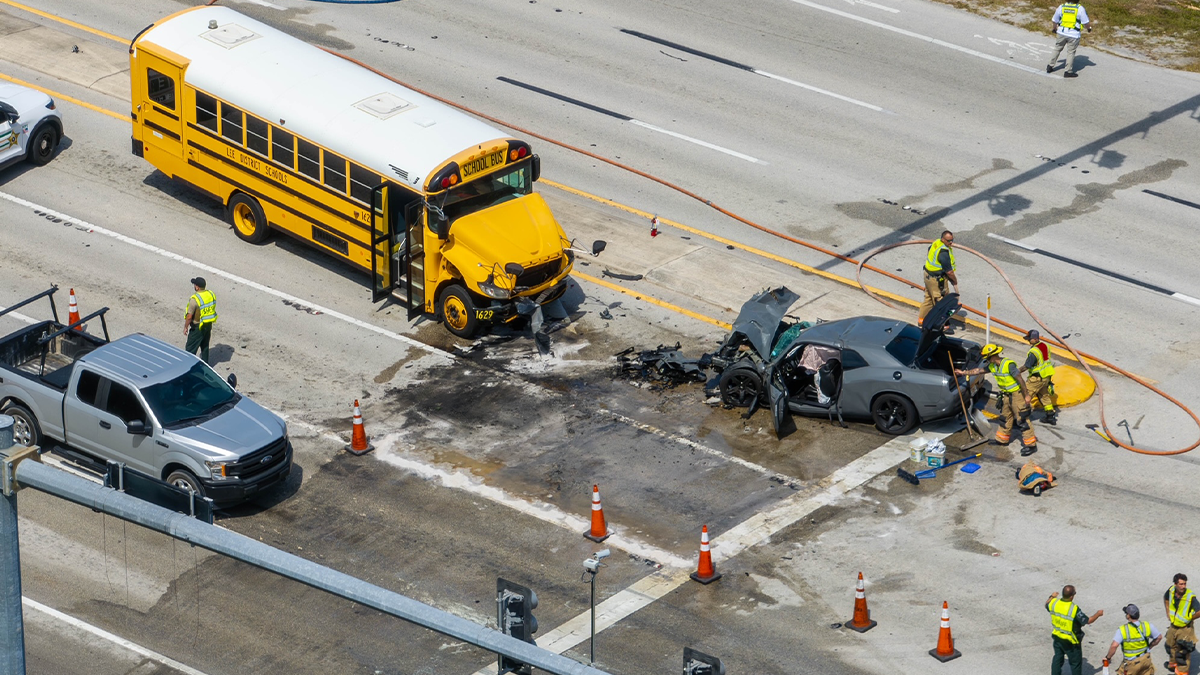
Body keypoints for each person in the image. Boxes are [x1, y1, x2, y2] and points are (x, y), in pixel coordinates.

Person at [955, 343, 1038, 456]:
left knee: (1022, 419)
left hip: (1017, 395)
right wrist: (963, 372)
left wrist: (1027, 395)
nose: (987, 361)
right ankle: (1002, 440)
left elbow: (1020, 380)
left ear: (993, 356)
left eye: (988, 358)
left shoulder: (1008, 364)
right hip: (1006, 395)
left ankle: (1031, 445)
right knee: (1005, 417)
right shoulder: (993, 366)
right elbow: (979, 371)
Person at [1048, 585, 1104, 675]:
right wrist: (1098, 614)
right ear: (1071, 596)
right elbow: (1088, 621)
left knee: (1057, 659)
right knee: (1075, 664)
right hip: (1071, 642)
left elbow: (1047, 604)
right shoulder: (1073, 609)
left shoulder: (1054, 603)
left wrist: (1052, 596)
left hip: (1057, 637)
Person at [1105, 604, 1162, 675]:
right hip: (1146, 660)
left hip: (1131, 664)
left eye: (1126, 613)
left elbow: (1114, 646)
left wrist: (1108, 657)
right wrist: (1149, 647)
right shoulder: (1147, 625)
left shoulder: (1123, 630)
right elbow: (1159, 637)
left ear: (1128, 616)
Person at [919, 231, 958, 326]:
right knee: (941, 303)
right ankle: (942, 325)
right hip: (937, 280)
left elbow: (929, 251)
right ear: (943, 239)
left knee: (928, 299)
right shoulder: (943, 253)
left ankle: (921, 320)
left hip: (928, 276)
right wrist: (954, 282)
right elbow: (949, 272)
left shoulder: (936, 243)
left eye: (952, 240)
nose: (951, 243)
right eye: (949, 241)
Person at [1019, 329, 1058, 425]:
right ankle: (1050, 416)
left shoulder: (1034, 352)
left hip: (1037, 379)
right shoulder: (1045, 345)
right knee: (1044, 395)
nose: (1028, 341)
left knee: (1025, 396)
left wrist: (1015, 372)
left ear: (1036, 339)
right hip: (1046, 376)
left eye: (1030, 339)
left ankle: (1021, 419)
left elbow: (1026, 366)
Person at [1163, 573, 1199, 672]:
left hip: (1185, 629)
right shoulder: (1171, 591)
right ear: (1175, 584)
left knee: (1182, 653)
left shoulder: (1190, 596)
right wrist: (1168, 612)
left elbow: (1199, 611)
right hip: (1174, 625)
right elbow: (1166, 598)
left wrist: (1189, 618)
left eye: (1184, 584)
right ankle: (1173, 665)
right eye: (1181, 584)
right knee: (1170, 645)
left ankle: (1182, 672)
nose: (1183, 586)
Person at [1047, 1, 1092, 78]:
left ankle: (1050, 66)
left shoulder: (1062, 7)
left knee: (1057, 49)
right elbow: (1085, 22)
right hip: (1073, 35)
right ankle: (1068, 71)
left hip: (1061, 32)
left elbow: (1055, 20)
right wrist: (1089, 28)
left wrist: (1054, 28)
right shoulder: (1080, 9)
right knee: (1071, 52)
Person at [183, 276, 217, 365]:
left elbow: (189, 316)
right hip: (208, 324)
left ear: (197, 287)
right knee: (205, 347)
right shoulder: (210, 294)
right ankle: (206, 367)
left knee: (190, 350)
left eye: (195, 285)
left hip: (198, 327)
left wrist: (186, 327)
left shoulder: (195, 299)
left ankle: (188, 368)